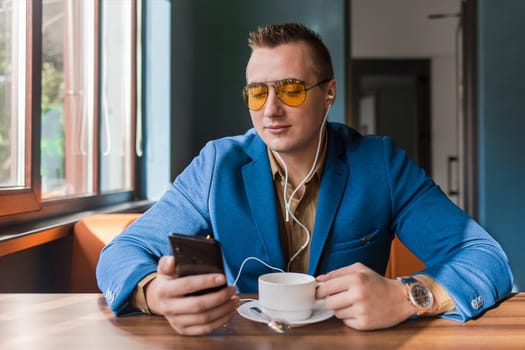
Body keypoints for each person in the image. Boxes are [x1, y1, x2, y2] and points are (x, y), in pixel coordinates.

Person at [96, 23, 514, 336]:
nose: (271, 110)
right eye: (257, 93)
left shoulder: (379, 164)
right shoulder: (216, 165)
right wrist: (152, 294)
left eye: (291, 90)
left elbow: (485, 258)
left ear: (328, 93)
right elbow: (124, 250)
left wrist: (408, 296)